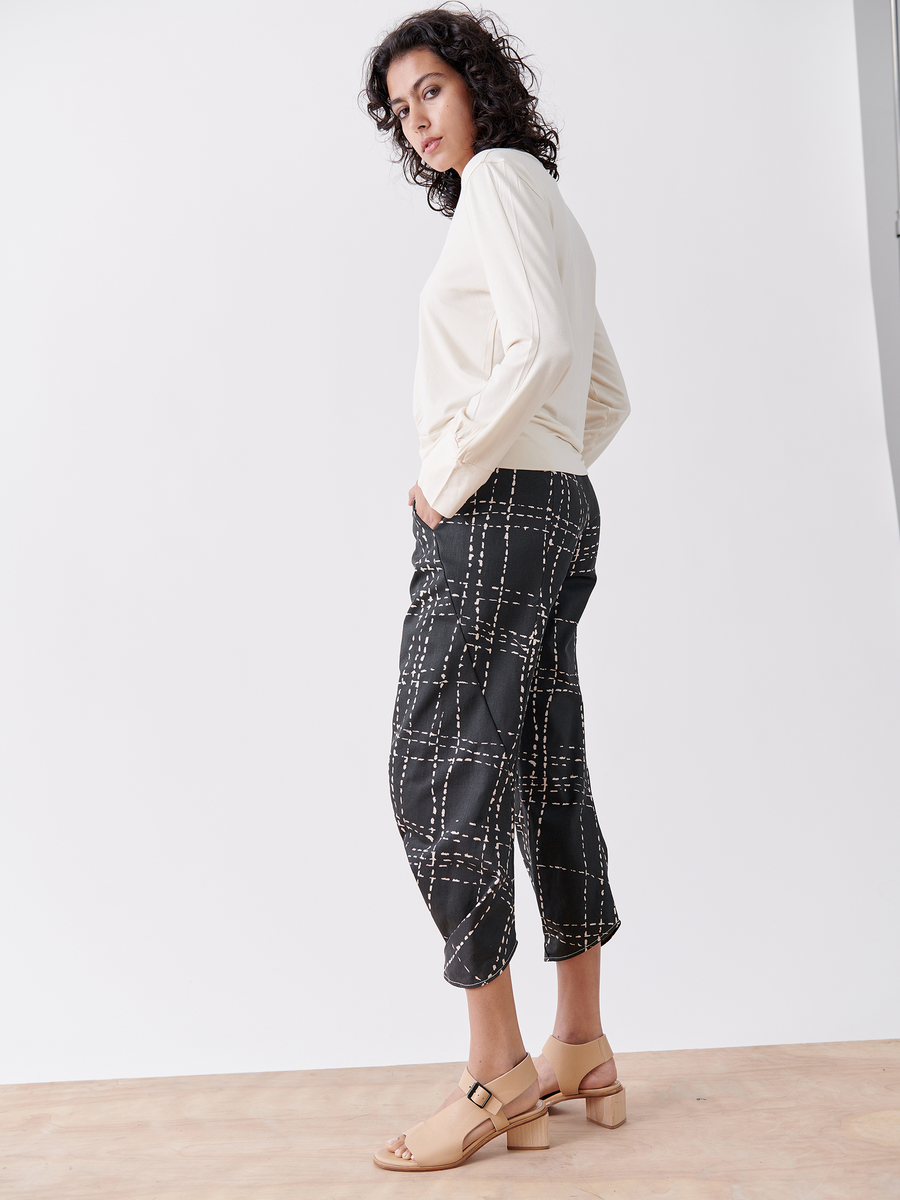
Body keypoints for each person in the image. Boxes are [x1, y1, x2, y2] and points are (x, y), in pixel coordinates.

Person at [363, 4, 631, 1172]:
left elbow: (543, 356)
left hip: (493, 516)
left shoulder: (502, 183)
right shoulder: (544, 203)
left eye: (428, 89)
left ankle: (496, 1069)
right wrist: (543, 473)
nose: (415, 119)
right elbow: (604, 394)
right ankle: (581, 1041)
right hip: (557, 508)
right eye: (398, 107)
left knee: (435, 765)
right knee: (538, 761)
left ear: (476, 82)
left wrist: (449, 472)